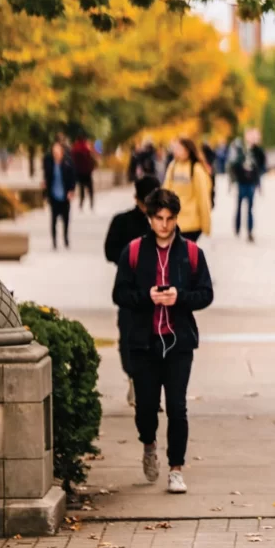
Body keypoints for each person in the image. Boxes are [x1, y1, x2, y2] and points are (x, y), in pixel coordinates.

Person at [112, 187, 214, 494]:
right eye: (159, 218)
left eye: (170, 218)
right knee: (145, 407)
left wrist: (179, 297)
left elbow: (206, 294)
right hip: (143, 342)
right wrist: (148, 297)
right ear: (149, 217)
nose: (165, 224)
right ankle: (149, 444)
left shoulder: (192, 252)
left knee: (177, 407)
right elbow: (119, 294)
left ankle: (176, 468)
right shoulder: (132, 251)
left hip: (179, 341)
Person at [104, 174, 161, 406]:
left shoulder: (165, 223)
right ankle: (135, 381)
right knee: (129, 338)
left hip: (159, 291)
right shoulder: (123, 222)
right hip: (130, 291)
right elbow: (110, 251)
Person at [163, 138, 212, 242]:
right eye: (175, 148)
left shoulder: (196, 169)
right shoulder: (173, 167)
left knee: (185, 256)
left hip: (191, 225)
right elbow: (164, 193)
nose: (175, 151)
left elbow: (203, 199)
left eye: (178, 148)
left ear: (187, 150)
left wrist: (206, 224)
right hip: (175, 223)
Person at [227, 128, 266, 241]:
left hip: (251, 183)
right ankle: (237, 228)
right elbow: (233, 164)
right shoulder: (240, 149)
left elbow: (262, 163)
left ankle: (249, 231)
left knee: (250, 208)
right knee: (239, 206)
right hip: (241, 182)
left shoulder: (257, 151)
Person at [43, 141, 76, 249]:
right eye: (54, 150)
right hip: (53, 195)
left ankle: (66, 238)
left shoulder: (67, 162)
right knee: (53, 220)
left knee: (66, 219)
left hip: (64, 196)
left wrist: (71, 190)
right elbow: (46, 178)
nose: (55, 152)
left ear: (61, 151)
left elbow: (72, 177)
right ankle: (54, 241)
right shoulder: (49, 162)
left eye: (57, 150)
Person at [71, 133, 98, 210]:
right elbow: (92, 159)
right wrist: (92, 167)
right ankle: (91, 203)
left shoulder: (75, 148)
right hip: (87, 172)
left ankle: (81, 203)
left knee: (81, 188)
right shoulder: (87, 148)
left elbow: (73, 160)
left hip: (79, 172)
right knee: (90, 188)